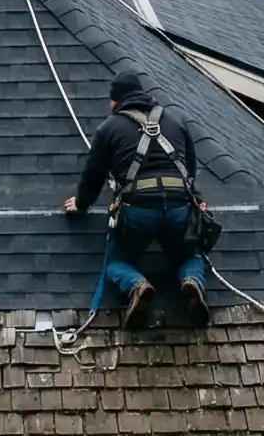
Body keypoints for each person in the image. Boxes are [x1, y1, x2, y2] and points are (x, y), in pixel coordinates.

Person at [63, 72, 209, 328]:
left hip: (138, 211)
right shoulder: (176, 119)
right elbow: (190, 169)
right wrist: (194, 197)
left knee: (116, 262)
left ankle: (137, 286)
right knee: (189, 254)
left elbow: (93, 175)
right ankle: (191, 282)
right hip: (178, 207)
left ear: (114, 102)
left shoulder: (109, 128)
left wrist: (82, 204)